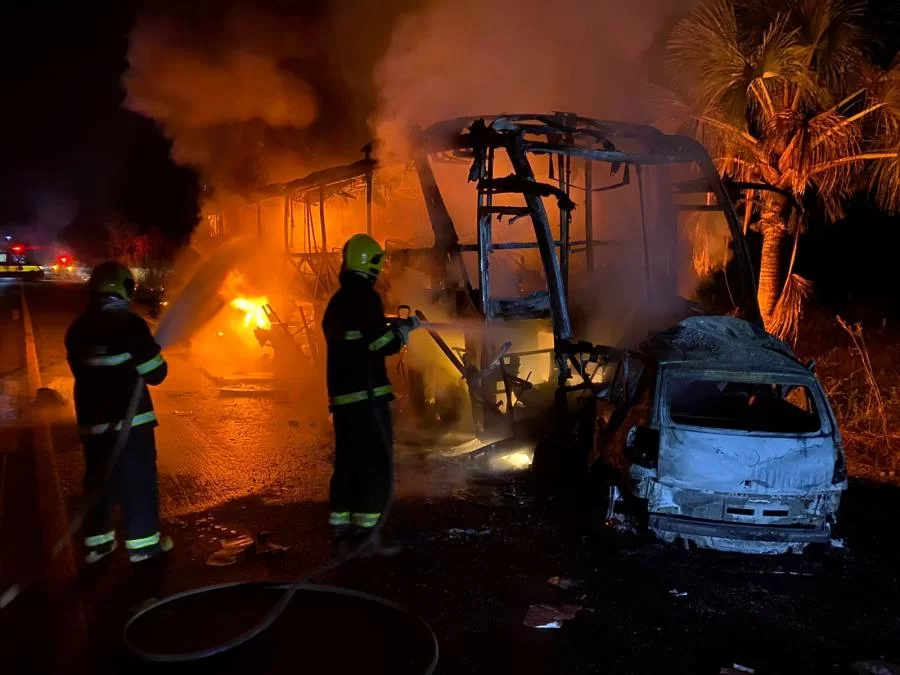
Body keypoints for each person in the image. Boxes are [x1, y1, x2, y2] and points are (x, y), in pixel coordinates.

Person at [65, 261, 172, 564]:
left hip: (92, 424)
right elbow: (155, 373)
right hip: (131, 423)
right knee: (137, 480)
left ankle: (98, 544)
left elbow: (82, 370)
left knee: (98, 481)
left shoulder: (78, 328)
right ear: (126, 287)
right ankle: (144, 546)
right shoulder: (129, 324)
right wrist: (154, 356)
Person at [322, 234, 421, 547]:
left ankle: (341, 524)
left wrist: (388, 327)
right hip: (367, 398)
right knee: (375, 463)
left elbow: (358, 338)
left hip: (343, 399)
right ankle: (368, 531)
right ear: (370, 263)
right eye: (379, 262)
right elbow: (380, 343)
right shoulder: (366, 297)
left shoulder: (339, 300)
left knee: (348, 461)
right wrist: (402, 334)